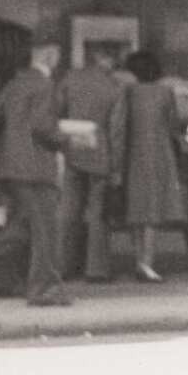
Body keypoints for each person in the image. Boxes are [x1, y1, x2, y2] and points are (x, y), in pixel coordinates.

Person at [0, 41, 71, 306]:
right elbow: (42, 126)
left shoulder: (16, 82)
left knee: (20, 228)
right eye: (56, 54)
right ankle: (43, 290)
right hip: (36, 168)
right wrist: (68, 139)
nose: (57, 59)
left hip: (10, 168)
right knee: (46, 231)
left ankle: (7, 282)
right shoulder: (45, 84)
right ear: (49, 54)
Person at [51, 40, 127, 283]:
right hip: (100, 154)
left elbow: (56, 112)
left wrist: (62, 142)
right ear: (108, 60)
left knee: (68, 211)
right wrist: (116, 167)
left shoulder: (70, 79)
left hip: (72, 150)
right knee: (98, 213)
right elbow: (116, 131)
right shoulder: (114, 86)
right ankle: (97, 270)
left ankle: (62, 266)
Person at [115, 49, 188, 282]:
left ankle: (139, 260)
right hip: (158, 153)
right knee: (152, 212)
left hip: (132, 153)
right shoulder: (165, 92)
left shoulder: (128, 91)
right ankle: (147, 262)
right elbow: (174, 125)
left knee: (137, 210)